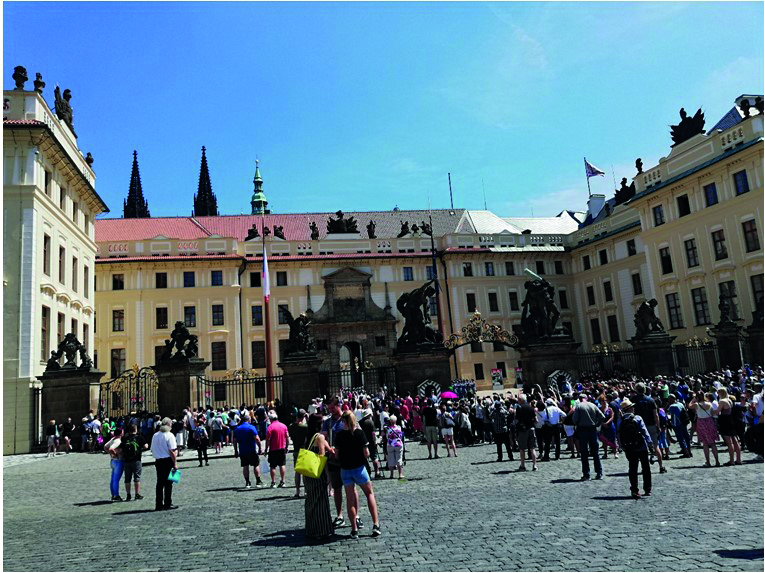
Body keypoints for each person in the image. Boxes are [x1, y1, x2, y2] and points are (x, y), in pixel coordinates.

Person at [334, 411, 381, 539]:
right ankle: (375, 525)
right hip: (359, 468)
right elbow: (366, 453)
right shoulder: (360, 434)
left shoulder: (339, 435)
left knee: (350, 499)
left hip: (345, 469)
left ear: (343, 421)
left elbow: (337, 455)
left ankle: (354, 529)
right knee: (369, 494)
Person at [303, 413, 334, 539]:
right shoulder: (320, 437)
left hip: (308, 473)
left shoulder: (310, 436)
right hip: (317, 473)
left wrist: (330, 449)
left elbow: (327, 447)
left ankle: (311, 528)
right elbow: (322, 456)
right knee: (320, 502)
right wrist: (327, 475)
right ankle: (321, 530)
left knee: (311, 500)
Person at [619, 399, 653, 500]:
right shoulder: (637, 418)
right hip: (641, 446)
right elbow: (644, 431)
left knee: (633, 468)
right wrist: (650, 443)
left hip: (629, 447)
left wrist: (622, 447)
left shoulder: (620, 420)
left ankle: (634, 489)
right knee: (645, 468)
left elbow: (619, 434)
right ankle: (647, 489)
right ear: (629, 409)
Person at [321, 396, 346, 528]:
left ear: (339, 405)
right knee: (337, 488)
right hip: (333, 459)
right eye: (329, 408)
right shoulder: (327, 422)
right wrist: (329, 449)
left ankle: (356, 515)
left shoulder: (347, 419)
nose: (330, 410)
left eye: (332, 407)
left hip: (347, 459)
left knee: (351, 488)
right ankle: (340, 515)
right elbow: (322, 437)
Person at [633, 382, 666, 474]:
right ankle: (661, 466)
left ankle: (645, 467)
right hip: (651, 424)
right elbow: (655, 415)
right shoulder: (651, 400)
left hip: (638, 425)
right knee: (656, 445)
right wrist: (658, 426)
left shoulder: (634, 400)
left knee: (641, 447)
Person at [573, 395, 605, 480]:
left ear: (579, 399)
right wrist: (597, 425)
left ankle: (586, 474)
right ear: (586, 398)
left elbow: (574, 420)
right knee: (595, 452)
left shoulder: (578, 406)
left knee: (584, 453)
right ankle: (599, 473)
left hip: (583, 430)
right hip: (593, 430)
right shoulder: (593, 405)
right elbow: (602, 416)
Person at [150, 417, 178, 511]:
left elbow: (152, 449)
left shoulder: (155, 435)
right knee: (168, 483)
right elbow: (172, 451)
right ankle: (167, 503)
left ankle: (158, 504)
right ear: (169, 425)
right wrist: (175, 463)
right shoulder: (170, 435)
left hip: (158, 461)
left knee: (160, 483)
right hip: (168, 461)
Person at [689, 392, 720, 467]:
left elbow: (689, 406)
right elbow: (712, 413)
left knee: (705, 443)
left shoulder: (696, 404)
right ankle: (717, 461)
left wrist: (693, 399)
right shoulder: (709, 404)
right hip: (709, 421)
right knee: (713, 443)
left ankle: (708, 462)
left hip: (701, 422)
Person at [233, 414, 263, 488]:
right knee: (256, 465)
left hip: (242, 450)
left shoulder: (237, 429)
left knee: (245, 466)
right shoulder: (251, 427)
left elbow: (234, 441)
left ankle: (247, 482)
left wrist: (236, 450)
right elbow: (257, 438)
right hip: (251, 449)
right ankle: (258, 481)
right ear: (248, 420)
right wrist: (260, 447)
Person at [120, 424, 148, 501]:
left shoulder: (125, 438)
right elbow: (146, 446)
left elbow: (121, 449)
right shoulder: (140, 437)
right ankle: (137, 494)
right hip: (137, 460)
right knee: (137, 478)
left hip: (126, 461)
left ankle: (128, 495)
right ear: (136, 429)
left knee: (127, 479)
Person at [715, 388, 742, 466]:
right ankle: (738, 459)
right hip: (731, 420)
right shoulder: (729, 400)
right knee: (735, 440)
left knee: (729, 442)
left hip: (725, 421)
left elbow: (717, 412)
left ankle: (731, 460)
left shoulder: (722, 401)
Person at [264, 411, 289, 488]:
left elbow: (267, 439)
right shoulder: (284, 426)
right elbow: (287, 437)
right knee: (282, 465)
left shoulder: (270, 427)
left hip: (273, 449)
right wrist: (287, 446)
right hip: (282, 448)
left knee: (272, 466)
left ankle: (273, 482)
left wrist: (266, 449)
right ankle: (283, 481)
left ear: (271, 419)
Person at [515, 395, 538, 471]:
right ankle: (535, 465)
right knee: (532, 448)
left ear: (521, 400)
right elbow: (535, 420)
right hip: (531, 428)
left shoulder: (519, 408)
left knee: (522, 448)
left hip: (523, 430)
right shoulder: (531, 408)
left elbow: (517, 420)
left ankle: (522, 465)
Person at [289, 409, 309, 497]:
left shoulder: (291, 426)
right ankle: (306, 490)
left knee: (297, 472)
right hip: (304, 450)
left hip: (296, 450)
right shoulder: (305, 427)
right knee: (305, 472)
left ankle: (297, 491)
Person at [359, 409, 382, 479]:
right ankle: (377, 472)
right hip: (371, 442)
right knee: (374, 458)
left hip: (363, 443)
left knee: (364, 459)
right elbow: (373, 433)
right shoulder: (370, 422)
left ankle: (367, 472)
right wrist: (375, 442)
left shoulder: (360, 422)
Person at [104, 428, 124, 501]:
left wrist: (111, 454)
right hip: (118, 461)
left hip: (113, 461)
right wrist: (115, 454)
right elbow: (110, 448)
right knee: (116, 479)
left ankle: (113, 494)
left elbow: (105, 446)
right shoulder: (118, 441)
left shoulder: (113, 439)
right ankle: (116, 495)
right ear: (120, 433)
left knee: (113, 479)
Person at [385, 415, 405, 480]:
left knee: (390, 459)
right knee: (399, 458)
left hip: (390, 444)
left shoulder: (388, 428)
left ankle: (391, 474)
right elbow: (401, 435)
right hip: (398, 444)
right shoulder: (399, 427)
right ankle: (400, 474)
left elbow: (386, 437)